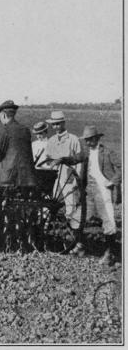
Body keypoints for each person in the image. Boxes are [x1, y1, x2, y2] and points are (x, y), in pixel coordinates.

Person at [58, 126, 121, 264]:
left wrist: (112, 182)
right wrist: (63, 159)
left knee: (108, 220)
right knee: (77, 218)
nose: (88, 142)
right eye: (86, 140)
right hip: (89, 191)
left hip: (103, 190)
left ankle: (109, 253)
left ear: (97, 138)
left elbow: (122, 167)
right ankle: (80, 246)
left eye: (90, 139)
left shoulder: (107, 152)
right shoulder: (87, 152)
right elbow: (76, 158)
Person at [43, 110, 83, 251]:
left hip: (69, 176)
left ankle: (74, 240)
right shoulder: (52, 141)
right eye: (54, 124)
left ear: (64, 123)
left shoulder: (73, 139)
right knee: (48, 205)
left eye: (58, 124)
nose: (56, 127)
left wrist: (76, 181)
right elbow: (47, 159)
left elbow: (79, 160)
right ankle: (47, 236)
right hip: (54, 176)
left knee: (71, 207)